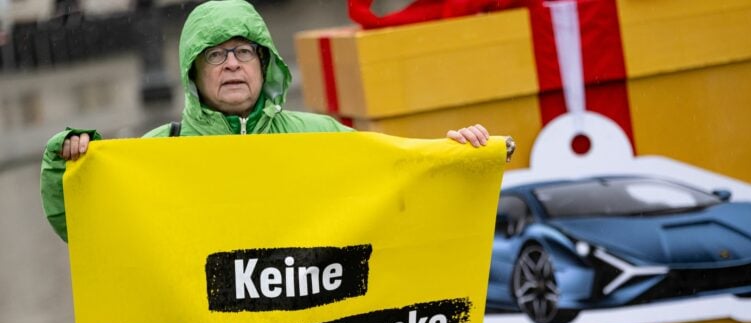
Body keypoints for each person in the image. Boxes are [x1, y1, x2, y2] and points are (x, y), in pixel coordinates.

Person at [40, 0, 490, 242]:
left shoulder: (316, 135)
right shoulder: (158, 151)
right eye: (216, 54)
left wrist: (457, 157)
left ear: (264, 63)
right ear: (194, 72)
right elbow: (89, 230)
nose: (232, 63)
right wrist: (69, 166)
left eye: (244, 51)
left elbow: (398, 174)